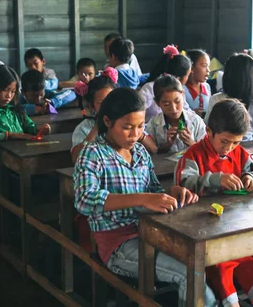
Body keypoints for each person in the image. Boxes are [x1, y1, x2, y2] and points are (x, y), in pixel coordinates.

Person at [73, 88, 217, 307]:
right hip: (118, 245)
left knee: (200, 262)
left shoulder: (140, 153)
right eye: (127, 128)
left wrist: (172, 193)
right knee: (189, 273)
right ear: (108, 121)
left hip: (152, 234)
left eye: (140, 127)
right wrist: (142, 198)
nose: (135, 134)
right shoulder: (93, 153)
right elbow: (85, 199)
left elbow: (154, 191)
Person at [176, 98, 253, 307]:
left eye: (236, 142)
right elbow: (185, 183)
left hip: (240, 233)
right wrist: (216, 178)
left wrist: (251, 178)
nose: (229, 148)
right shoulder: (192, 155)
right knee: (222, 269)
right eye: (224, 141)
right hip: (208, 242)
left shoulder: (240, 154)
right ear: (209, 131)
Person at [0, 65, 50, 191]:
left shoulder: (16, 109)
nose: (9, 96)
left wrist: (40, 129)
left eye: (13, 91)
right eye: (6, 90)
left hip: (20, 161)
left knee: (48, 181)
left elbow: (29, 127)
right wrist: (8, 135)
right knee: (28, 187)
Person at [204, 54, 253, 141]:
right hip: (246, 149)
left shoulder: (215, 99)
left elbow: (207, 123)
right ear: (252, 79)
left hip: (219, 148)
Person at [146, 75, 206, 154]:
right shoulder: (154, 124)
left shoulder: (196, 121)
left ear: (183, 95)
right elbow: (150, 153)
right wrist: (167, 145)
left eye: (177, 101)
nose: (174, 109)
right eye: (167, 104)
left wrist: (191, 143)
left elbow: (206, 152)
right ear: (157, 102)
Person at [139, 45, 192, 122]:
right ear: (179, 78)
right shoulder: (150, 88)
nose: (173, 108)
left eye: (177, 102)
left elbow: (187, 111)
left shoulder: (179, 91)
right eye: (188, 75)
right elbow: (137, 110)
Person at [184, 49, 211, 116]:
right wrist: (192, 113)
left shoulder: (207, 87)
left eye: (208, 66)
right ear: (192, 68)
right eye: (204, 66)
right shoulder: (182, 89)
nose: (208, 70)